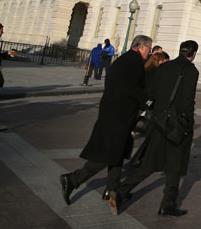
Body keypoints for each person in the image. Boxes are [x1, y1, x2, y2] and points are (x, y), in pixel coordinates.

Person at [109, 40, 200, 217]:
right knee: (175, 165)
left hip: (159, 122)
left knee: (149, 163)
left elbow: (151, 92)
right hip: (177, 125)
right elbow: (188, 101)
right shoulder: (191, 71)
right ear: (193, 53)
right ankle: (168, 204)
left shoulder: (165, 67)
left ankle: (121, 190)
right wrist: (188, 124)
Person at [60, 35, 151, 206]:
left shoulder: (124, 59)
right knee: (108, 153)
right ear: (142, 47)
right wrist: (146, 101)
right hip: (118, 114)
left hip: (113, 111)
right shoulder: (134, 61)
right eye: (149, 49)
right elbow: (132, 88)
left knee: (118, 151)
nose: (150, 53)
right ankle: (72, 179)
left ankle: (112, 189)